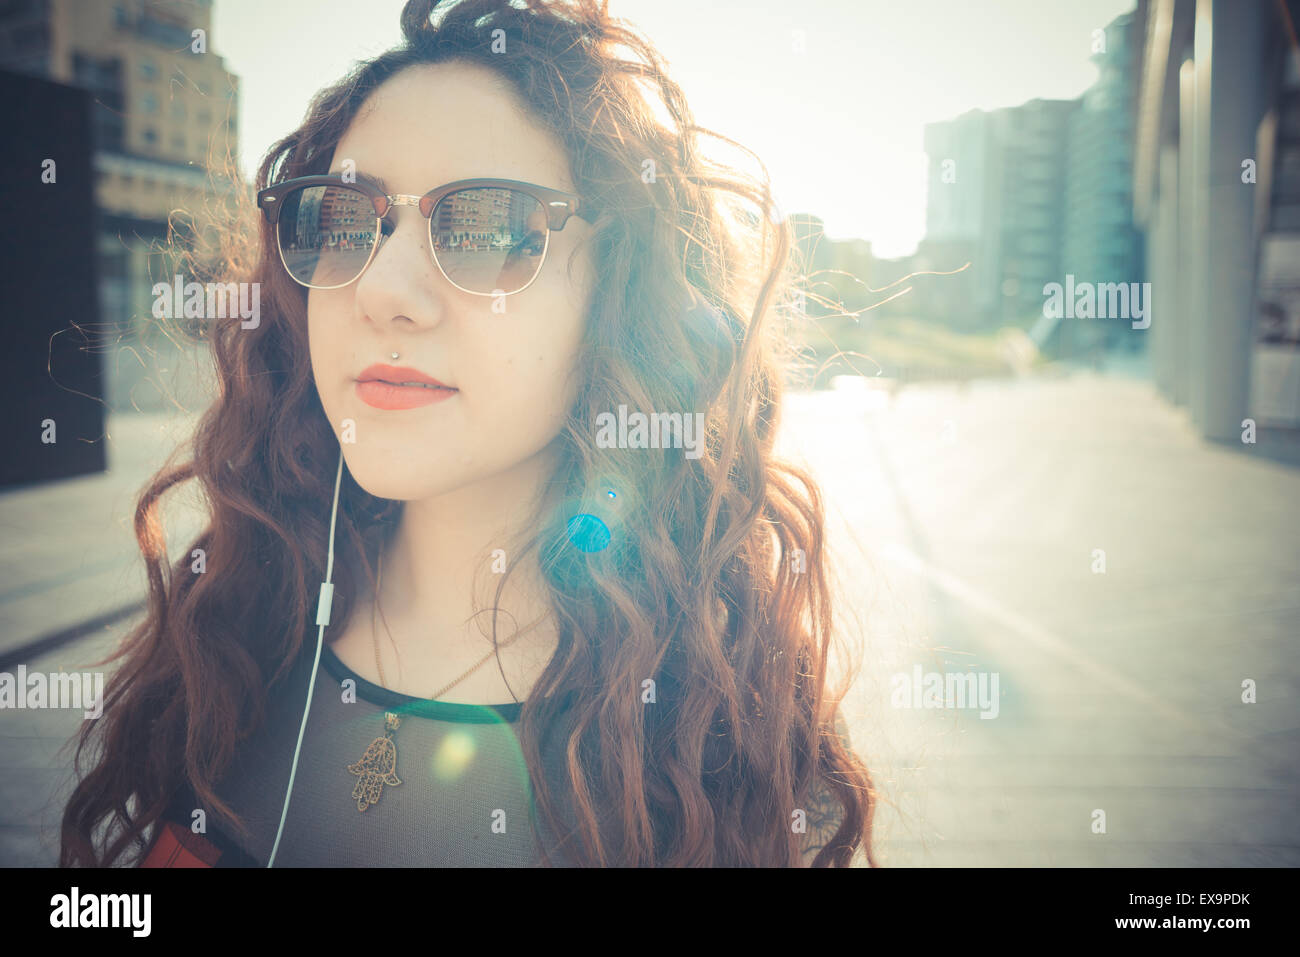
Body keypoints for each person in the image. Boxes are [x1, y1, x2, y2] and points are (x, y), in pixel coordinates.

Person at [60, 0, 875, 867]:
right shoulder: (231, 634)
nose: (382, 289)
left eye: (485, 223)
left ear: (623, 287)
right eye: (342, 218)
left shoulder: (710, 731)